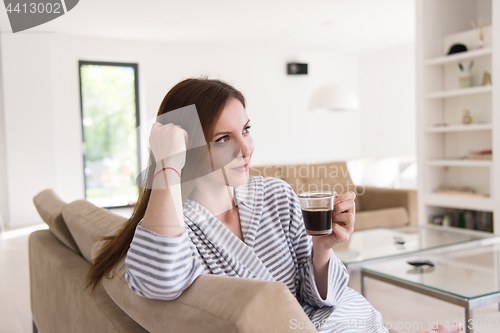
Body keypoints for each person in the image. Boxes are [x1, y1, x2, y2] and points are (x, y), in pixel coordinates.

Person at [86, 78, 462, 333]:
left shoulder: (276, 195)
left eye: (246, 130)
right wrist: (167, 166)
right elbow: (158, 281)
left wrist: (322, 248)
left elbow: (318, 297)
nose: (246, 148)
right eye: (223, 138)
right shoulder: (174, 226)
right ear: (188, 148)